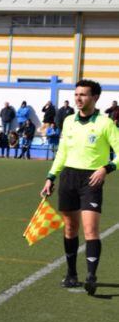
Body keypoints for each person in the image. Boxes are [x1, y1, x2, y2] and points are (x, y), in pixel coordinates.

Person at [41, 80, 119, 296]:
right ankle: (71, 274)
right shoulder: (68, 121)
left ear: (95, 98)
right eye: (76, 94)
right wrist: (51, 177)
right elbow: (62, 152)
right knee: (69, 228)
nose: (78, 98)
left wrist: (107, 168)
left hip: (91, 179)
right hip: (68, 177)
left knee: (91, 229)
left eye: (83, 95)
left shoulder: (105, 123)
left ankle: (91, 276)